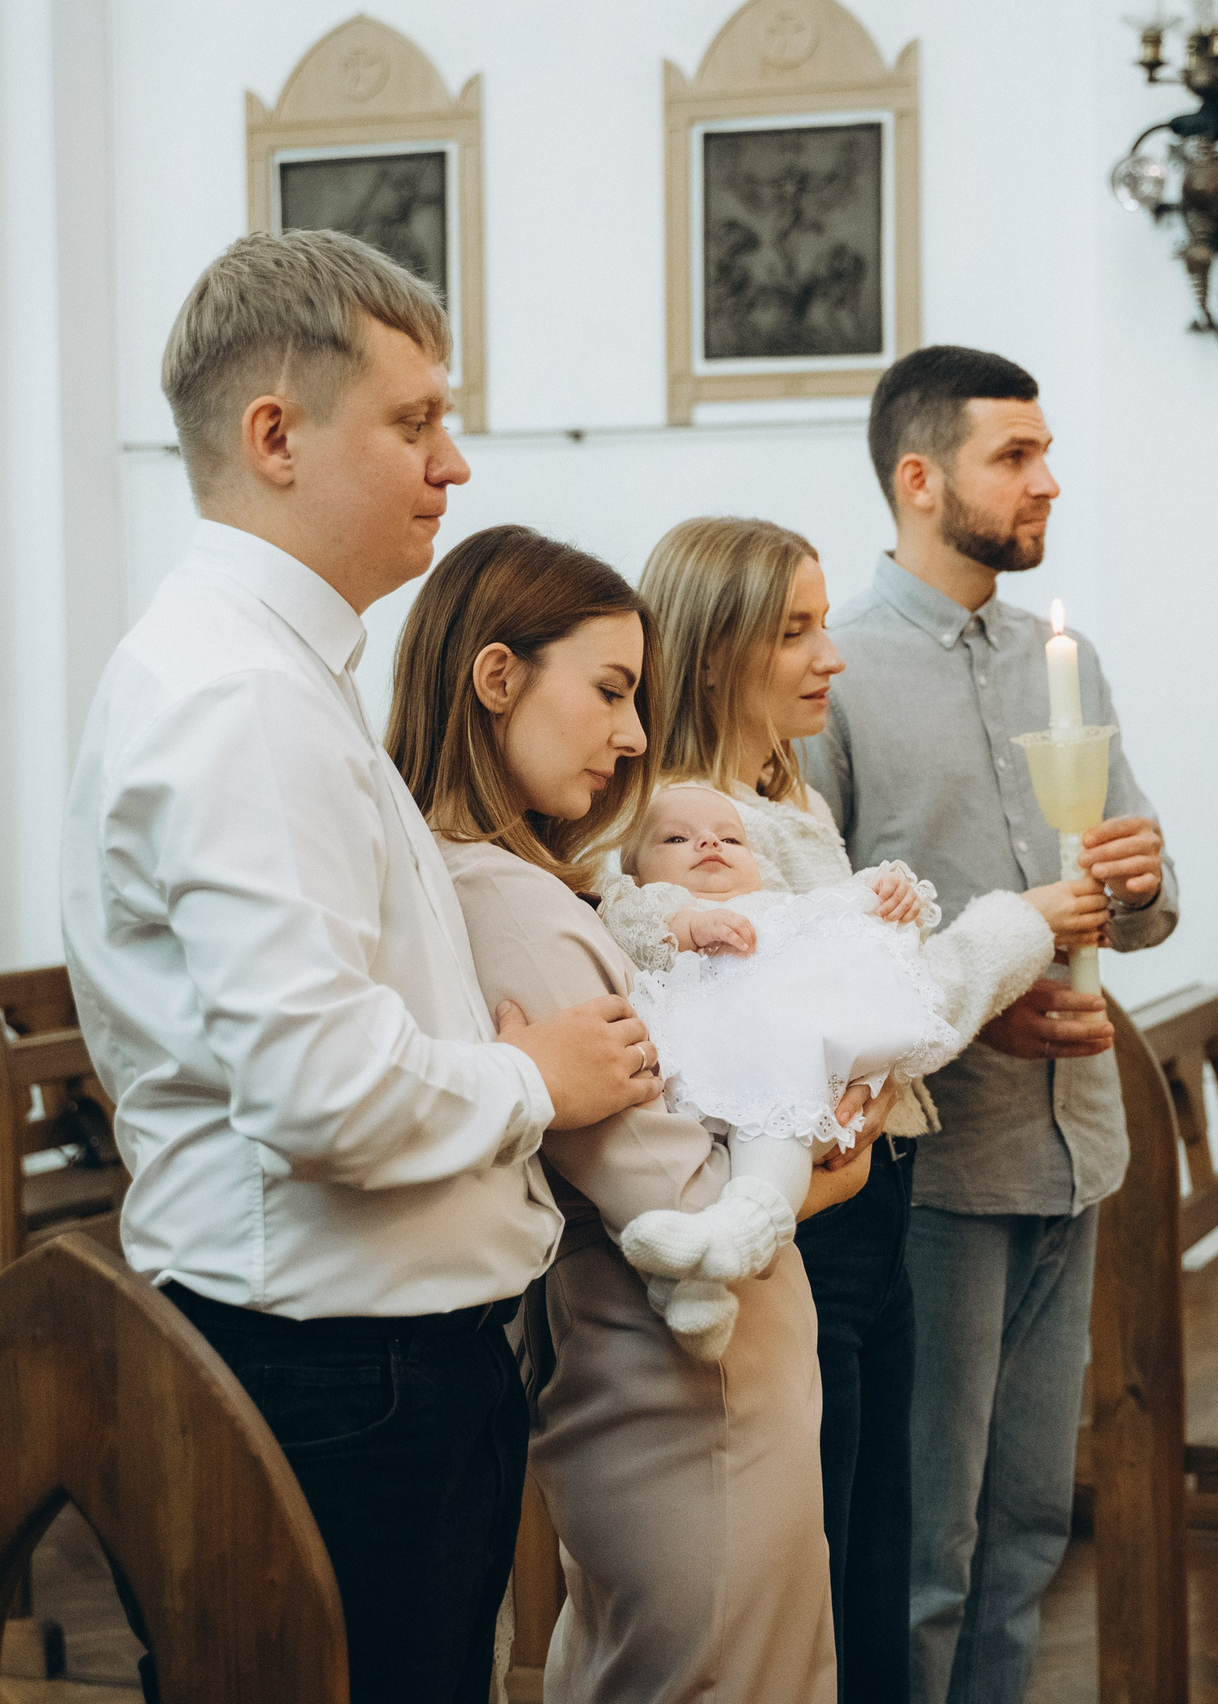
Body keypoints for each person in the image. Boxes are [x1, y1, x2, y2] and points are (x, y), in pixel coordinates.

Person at [59, 231, 660, 1704]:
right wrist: (538, 1073)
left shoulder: (273, 674)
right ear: (277, 435)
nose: (454, 465)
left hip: (364, 1356)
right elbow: (319, 1091)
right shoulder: (240, 699)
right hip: (332, 1372)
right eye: (415, 421)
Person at [611, 516, 1079, 1703]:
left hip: (868, 1201)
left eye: (826, 623)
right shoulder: (698, 823)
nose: (832, 656)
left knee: (871, 1532)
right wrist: (1027, 923)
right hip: (812, 1219)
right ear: (715, 652)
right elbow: (883, 1000)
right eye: (796, 631)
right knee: (838, 1553)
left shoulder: (786, 795)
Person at [386, 523, 846, 1703]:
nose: (637, 736)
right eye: (609, 691)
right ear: (497, 679)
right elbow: (681, 1197)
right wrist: (832, 1136)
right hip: (687, 1397)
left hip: (678, 1385)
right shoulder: (513, 905)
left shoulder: (506, 878)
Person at [802, 345, 1178, 1704]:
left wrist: (1139, 887)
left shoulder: (1056, 659)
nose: (1048, 480)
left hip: (1076, 1147)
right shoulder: (831, 677)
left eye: (1044, 451)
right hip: (935, 1171)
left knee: (1029, 1528)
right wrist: (972, 1011)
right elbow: (818, 944)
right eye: (1014, 457)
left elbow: (1143, 901)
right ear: (919, 480)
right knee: (928, 1546)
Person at [612, 784, 1086, 1336]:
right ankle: (701, 1279)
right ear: (637, 870)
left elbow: (850, 936)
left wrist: (884, 897)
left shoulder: (778, 911)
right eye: (677, 838)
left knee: (777, 1129)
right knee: (696, 1165)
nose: (709, 842)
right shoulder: (649, 907)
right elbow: (627, 927)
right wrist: (690, 926)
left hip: (782, 1084)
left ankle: (734, 1239)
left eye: (731, 838)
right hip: (689, 1083)